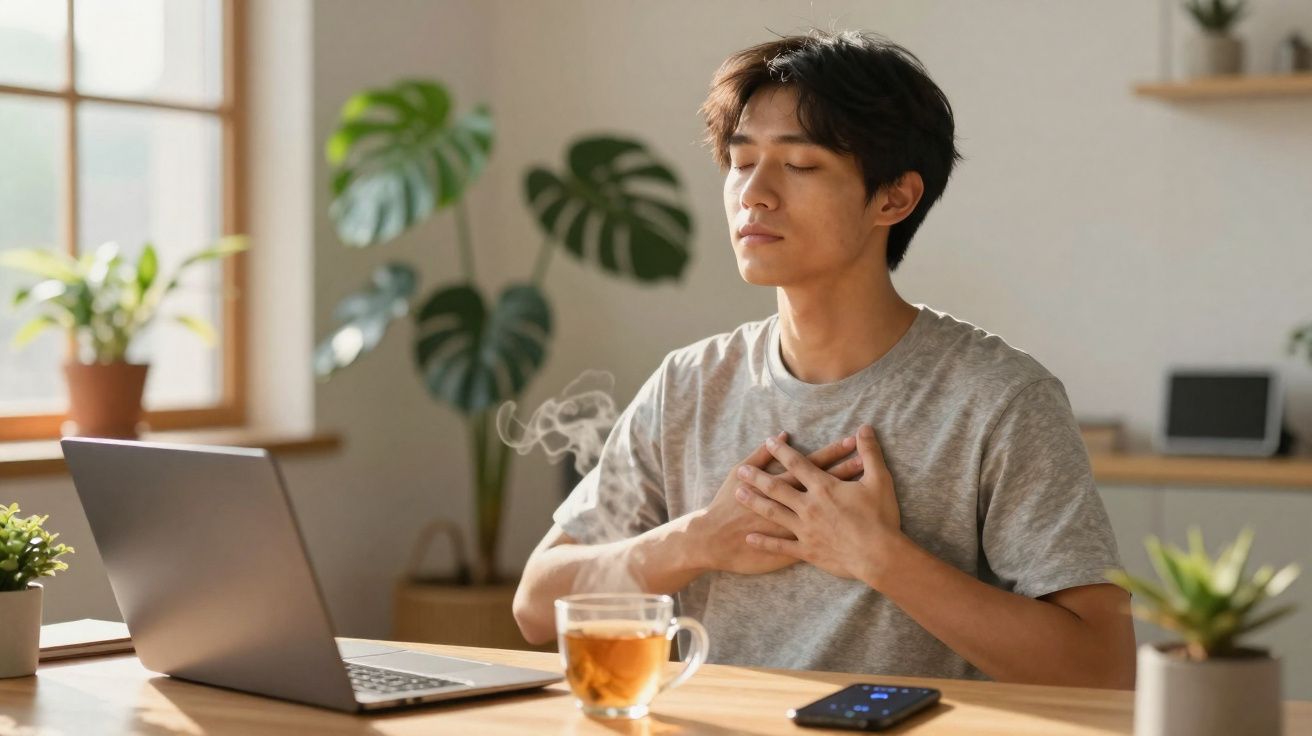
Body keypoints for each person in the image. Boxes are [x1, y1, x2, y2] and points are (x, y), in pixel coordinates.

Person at [513, 29, 1136, 688]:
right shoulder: (688, 385)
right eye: (740, 161)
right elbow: (535, 605)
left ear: (893, 198)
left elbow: (1102, 668)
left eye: (800, 165)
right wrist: (698, 540)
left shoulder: (999, 400)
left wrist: (880, 558)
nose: (753, 193)